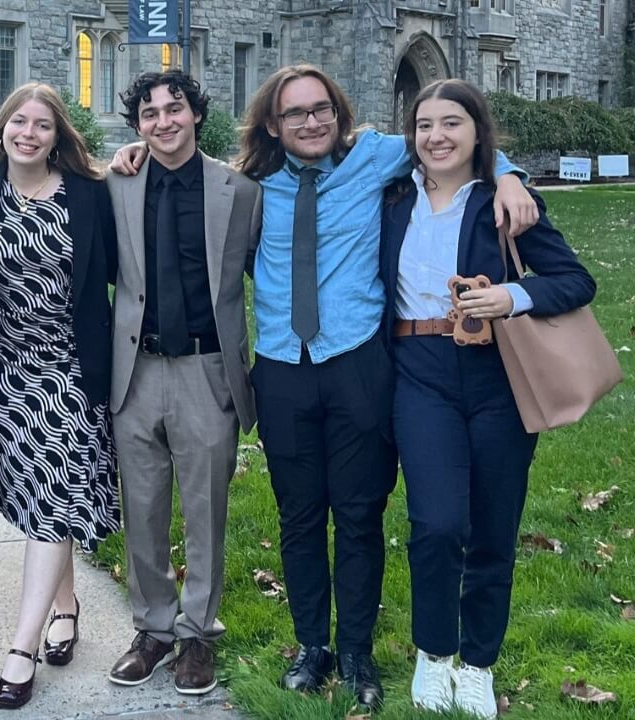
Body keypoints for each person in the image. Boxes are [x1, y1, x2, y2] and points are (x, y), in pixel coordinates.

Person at [110, 63, 538, 711]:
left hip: (358, 368)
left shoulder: (375, 161)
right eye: (293, 114)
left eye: (320, 110)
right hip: (282, 373)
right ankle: (313, 646)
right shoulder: (252, 186)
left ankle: (358, 649)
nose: (309, 123)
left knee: (360, 516)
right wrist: (139, 150)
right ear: (273, 125)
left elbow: (451, 138)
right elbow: (185, 180)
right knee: (300, 517)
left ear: (338, 113)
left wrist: (507, 174)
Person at [380, 79, 595, 718]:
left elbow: (575, 281)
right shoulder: (391, 197)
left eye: (452, 123)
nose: (437, 137)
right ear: (410, 135)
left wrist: (512, 296)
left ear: (478, 132)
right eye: (424, 125)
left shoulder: (505, 205)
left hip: (498, 377)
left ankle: (477, 663)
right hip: (418, 372)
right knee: (438, 523)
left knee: (493, 528)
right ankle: (434, 650)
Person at [0, 83, 120, 709]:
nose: (28, 132)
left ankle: (21, 647)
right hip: (0, 365)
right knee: (38, 495)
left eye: (42, 125)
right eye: (18, 121)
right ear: (2, 127)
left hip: (68, 365)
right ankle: (66, 604)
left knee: (55, 495)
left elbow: (119, 268)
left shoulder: (89, 194)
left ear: (58, 136)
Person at [103, 70, 261, 697]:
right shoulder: (114, 183)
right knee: (141, 509)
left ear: (196, 115)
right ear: (137, 126)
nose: (163, 121)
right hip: (136, 369)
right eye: (149, 113)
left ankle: (197, 632)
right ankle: (153, 629)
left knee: (206, 510)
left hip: (205, 368)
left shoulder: (240, 190)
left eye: (175, 109)